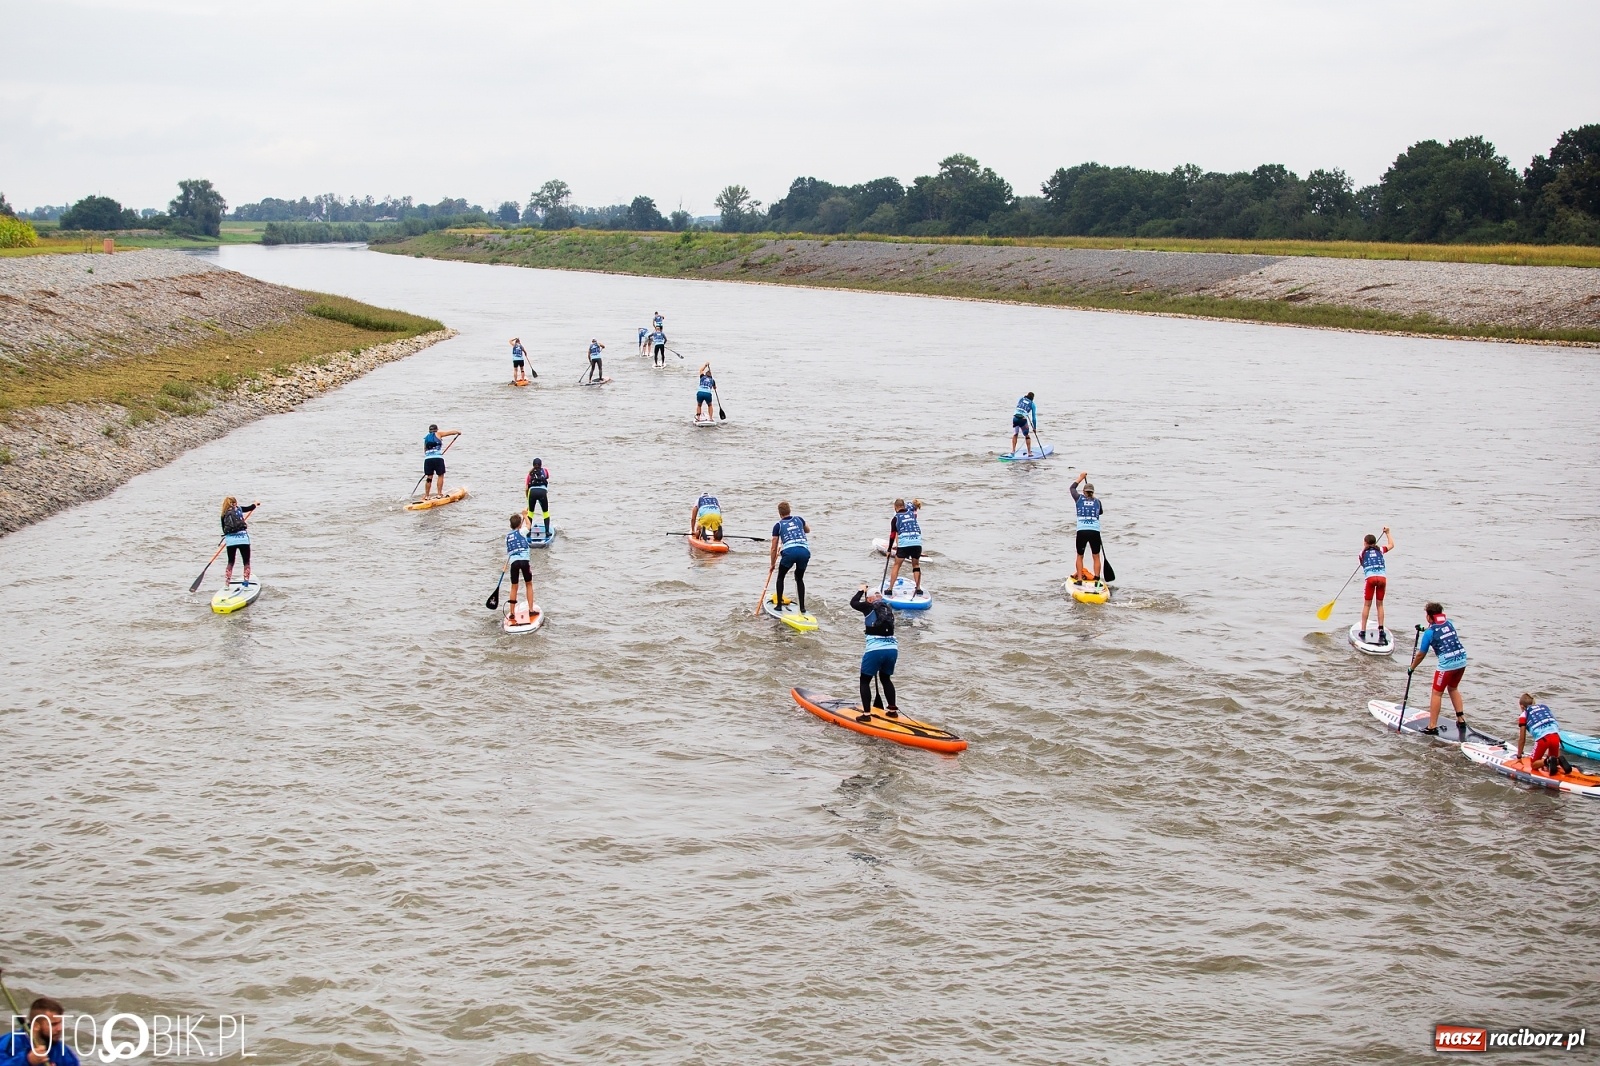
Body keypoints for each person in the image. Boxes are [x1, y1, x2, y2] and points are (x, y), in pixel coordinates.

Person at [1407, 601, 1469, 737]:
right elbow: (1440, 629)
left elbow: (1421, 654)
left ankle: (1432, 726)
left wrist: (1411, 668)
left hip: (1447, 666)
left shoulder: (1429, 634)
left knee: (1437, 693)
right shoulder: (1450, 623)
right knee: (1453, 688)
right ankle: (1461, 719)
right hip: (1462, 660)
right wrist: (1424, 628)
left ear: (1429, 617)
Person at [851, 583, 898, 723]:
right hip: (893, 649)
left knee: (864, 680)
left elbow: (853, 603)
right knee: (885, 678)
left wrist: (861, 590)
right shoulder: (888, 608)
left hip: (875, 651)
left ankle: (866, 715)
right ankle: (892, 711)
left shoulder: (868, 606)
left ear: (870, 599)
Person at [0, 995, 80, 1066]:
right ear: (36, 1026)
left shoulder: (64, 1053)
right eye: (53, 1024)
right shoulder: (9, 1043)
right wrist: (27, 1060)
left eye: (60, 1023)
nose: (59, 1029)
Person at [1515, 693, 1574, 775]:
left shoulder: (1523, 715)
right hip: (1556, 736)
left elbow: (1522, 739)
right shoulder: (1544, 707)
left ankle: (1548, 760)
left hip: (1543, 739)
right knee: (1552, 761)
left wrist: (1519, 757)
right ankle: (1558, 760)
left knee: (1534, 765)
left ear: (1521, 706)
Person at [769, 501, 811, 614]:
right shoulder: (799, 519)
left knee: (781, 577)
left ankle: (778, 606)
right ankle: (802, 608)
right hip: (804, 551)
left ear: (779, 513)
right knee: (799, 578)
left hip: (789, 552)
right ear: (789, 510)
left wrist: (772, 564)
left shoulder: (778, 525)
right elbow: (808, 530)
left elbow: (773, 548)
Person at [1358, 527, 1395, 641]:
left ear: (1365, 543)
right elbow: (1392, 544)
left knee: (1367, 605)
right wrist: (1388, 533)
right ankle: (1381, 630)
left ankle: (1363, 631)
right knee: (1380, 605)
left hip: (1371, 579)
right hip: (1382, 578)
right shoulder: (1380, 550)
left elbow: (1363, 564)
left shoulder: (1362, 553)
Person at [1069, 472, 1104, 582]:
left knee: (1080, 556)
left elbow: (1072, 488)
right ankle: (1097, 579)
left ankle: (1079, 579)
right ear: (1093, 492)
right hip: (1094, 532)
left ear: (1084, 492)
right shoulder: (1098, 502)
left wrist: (1081, 478)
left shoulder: (1079, 499)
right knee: (1096, 556)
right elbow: (1100, 513)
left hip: (1082, 531)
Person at [885, 497, 924, 593]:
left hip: (904, 544)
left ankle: (890, 589)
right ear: (904, 506)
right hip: (917, 542)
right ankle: (918, 588)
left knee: (897, 565)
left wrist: (889, 550)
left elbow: (893, 535)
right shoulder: (912, 513)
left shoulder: (895, 518)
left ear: (895, 507)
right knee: (916, 565)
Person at [502, 513, 535, 624]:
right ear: (519, 525)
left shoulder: (507, 537)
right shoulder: (522, 531)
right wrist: (525, 515)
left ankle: (512, 612)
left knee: (514, 587)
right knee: (528, 584)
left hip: (514, 563)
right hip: (524, 561)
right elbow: (529, 525)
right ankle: (531, 610)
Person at [219, 495, 259, 586]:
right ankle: (246, 583)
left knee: (230, 562)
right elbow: (251, 507)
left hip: (230, 541)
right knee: (246, 562)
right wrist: (256, 503)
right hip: (243, 539)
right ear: (235, 503)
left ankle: (227, 584)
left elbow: (223, 529)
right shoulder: (239, 509)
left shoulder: (223, 514)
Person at [421, 424, 460, 498]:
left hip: (428, 459)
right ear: (436, 430)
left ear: (429, 430)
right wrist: (458, 432)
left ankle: (426, 495)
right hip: (438, 458)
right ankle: (439, 494)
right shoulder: (438, 434)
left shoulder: (426, 438)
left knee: (429, 477)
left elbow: (425, 450)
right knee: (440, 475)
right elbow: (451, 432)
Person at [525, 458, 552, 537]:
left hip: (532, 493)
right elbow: (547, 477)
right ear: (541, 464)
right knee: (545, 512)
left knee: (530, 513)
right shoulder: (545, 471)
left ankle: (528, 532)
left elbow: (526, 488)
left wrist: (528, 498)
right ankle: (547, 532)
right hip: (542, 492)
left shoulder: (530, 474)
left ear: (533, 465)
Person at [1010, 392, 1038, 456]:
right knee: (1027, 436)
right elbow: (1034, 418)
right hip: (1022, 419)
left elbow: (1020, 406)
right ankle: (1029, 453)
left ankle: (1013, 451)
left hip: (1015, 417)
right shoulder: (1032, 404)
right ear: (1032, 398)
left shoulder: (1021, 398)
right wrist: (1034, 428)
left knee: (1015, 434)